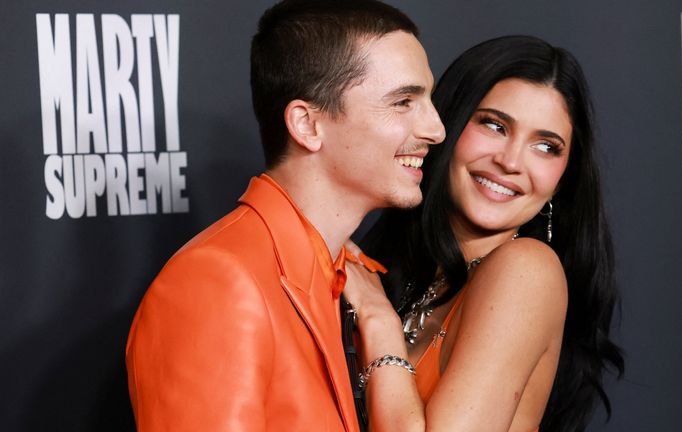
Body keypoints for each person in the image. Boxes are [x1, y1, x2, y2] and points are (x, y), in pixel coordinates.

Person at [125, 1, 444, 430]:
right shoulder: (218, 280)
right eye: (404, 101)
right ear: (308, 125)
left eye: (427, 99)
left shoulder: (345, 274)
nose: (436, 129)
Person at [342, 35, 624, 432]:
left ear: (561, 181)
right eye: (494, 125)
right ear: (447, 125)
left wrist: (378, 321)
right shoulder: (402, 276)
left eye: (546, 147)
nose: (510, 162)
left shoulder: (527, 270)